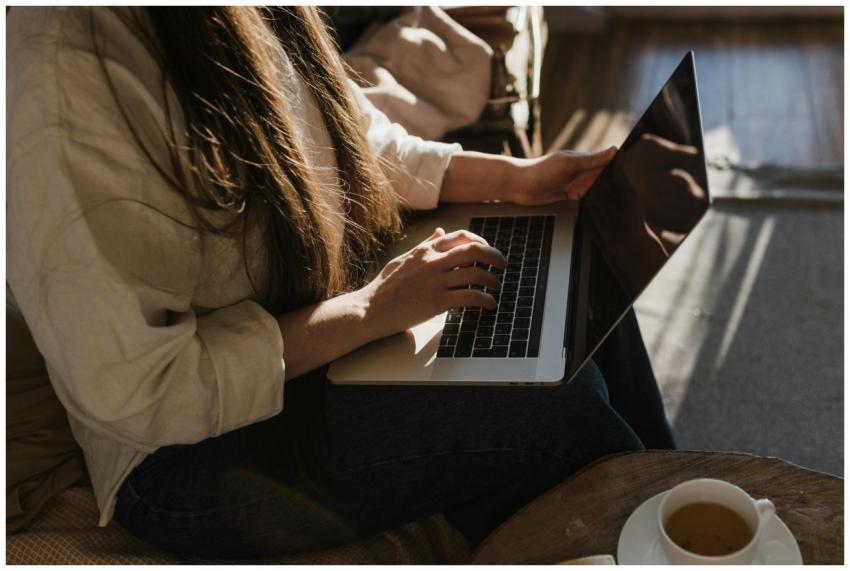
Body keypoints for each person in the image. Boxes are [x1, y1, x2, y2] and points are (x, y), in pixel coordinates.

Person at [7, 6, 675, 558]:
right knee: (560, 405)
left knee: (580, 255)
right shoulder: (67, 81)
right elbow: (145, 391)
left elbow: (351, 136)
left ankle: (689, 500)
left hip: (310, 320)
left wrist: (519, 182)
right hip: (184, 458)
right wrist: (371, 310)